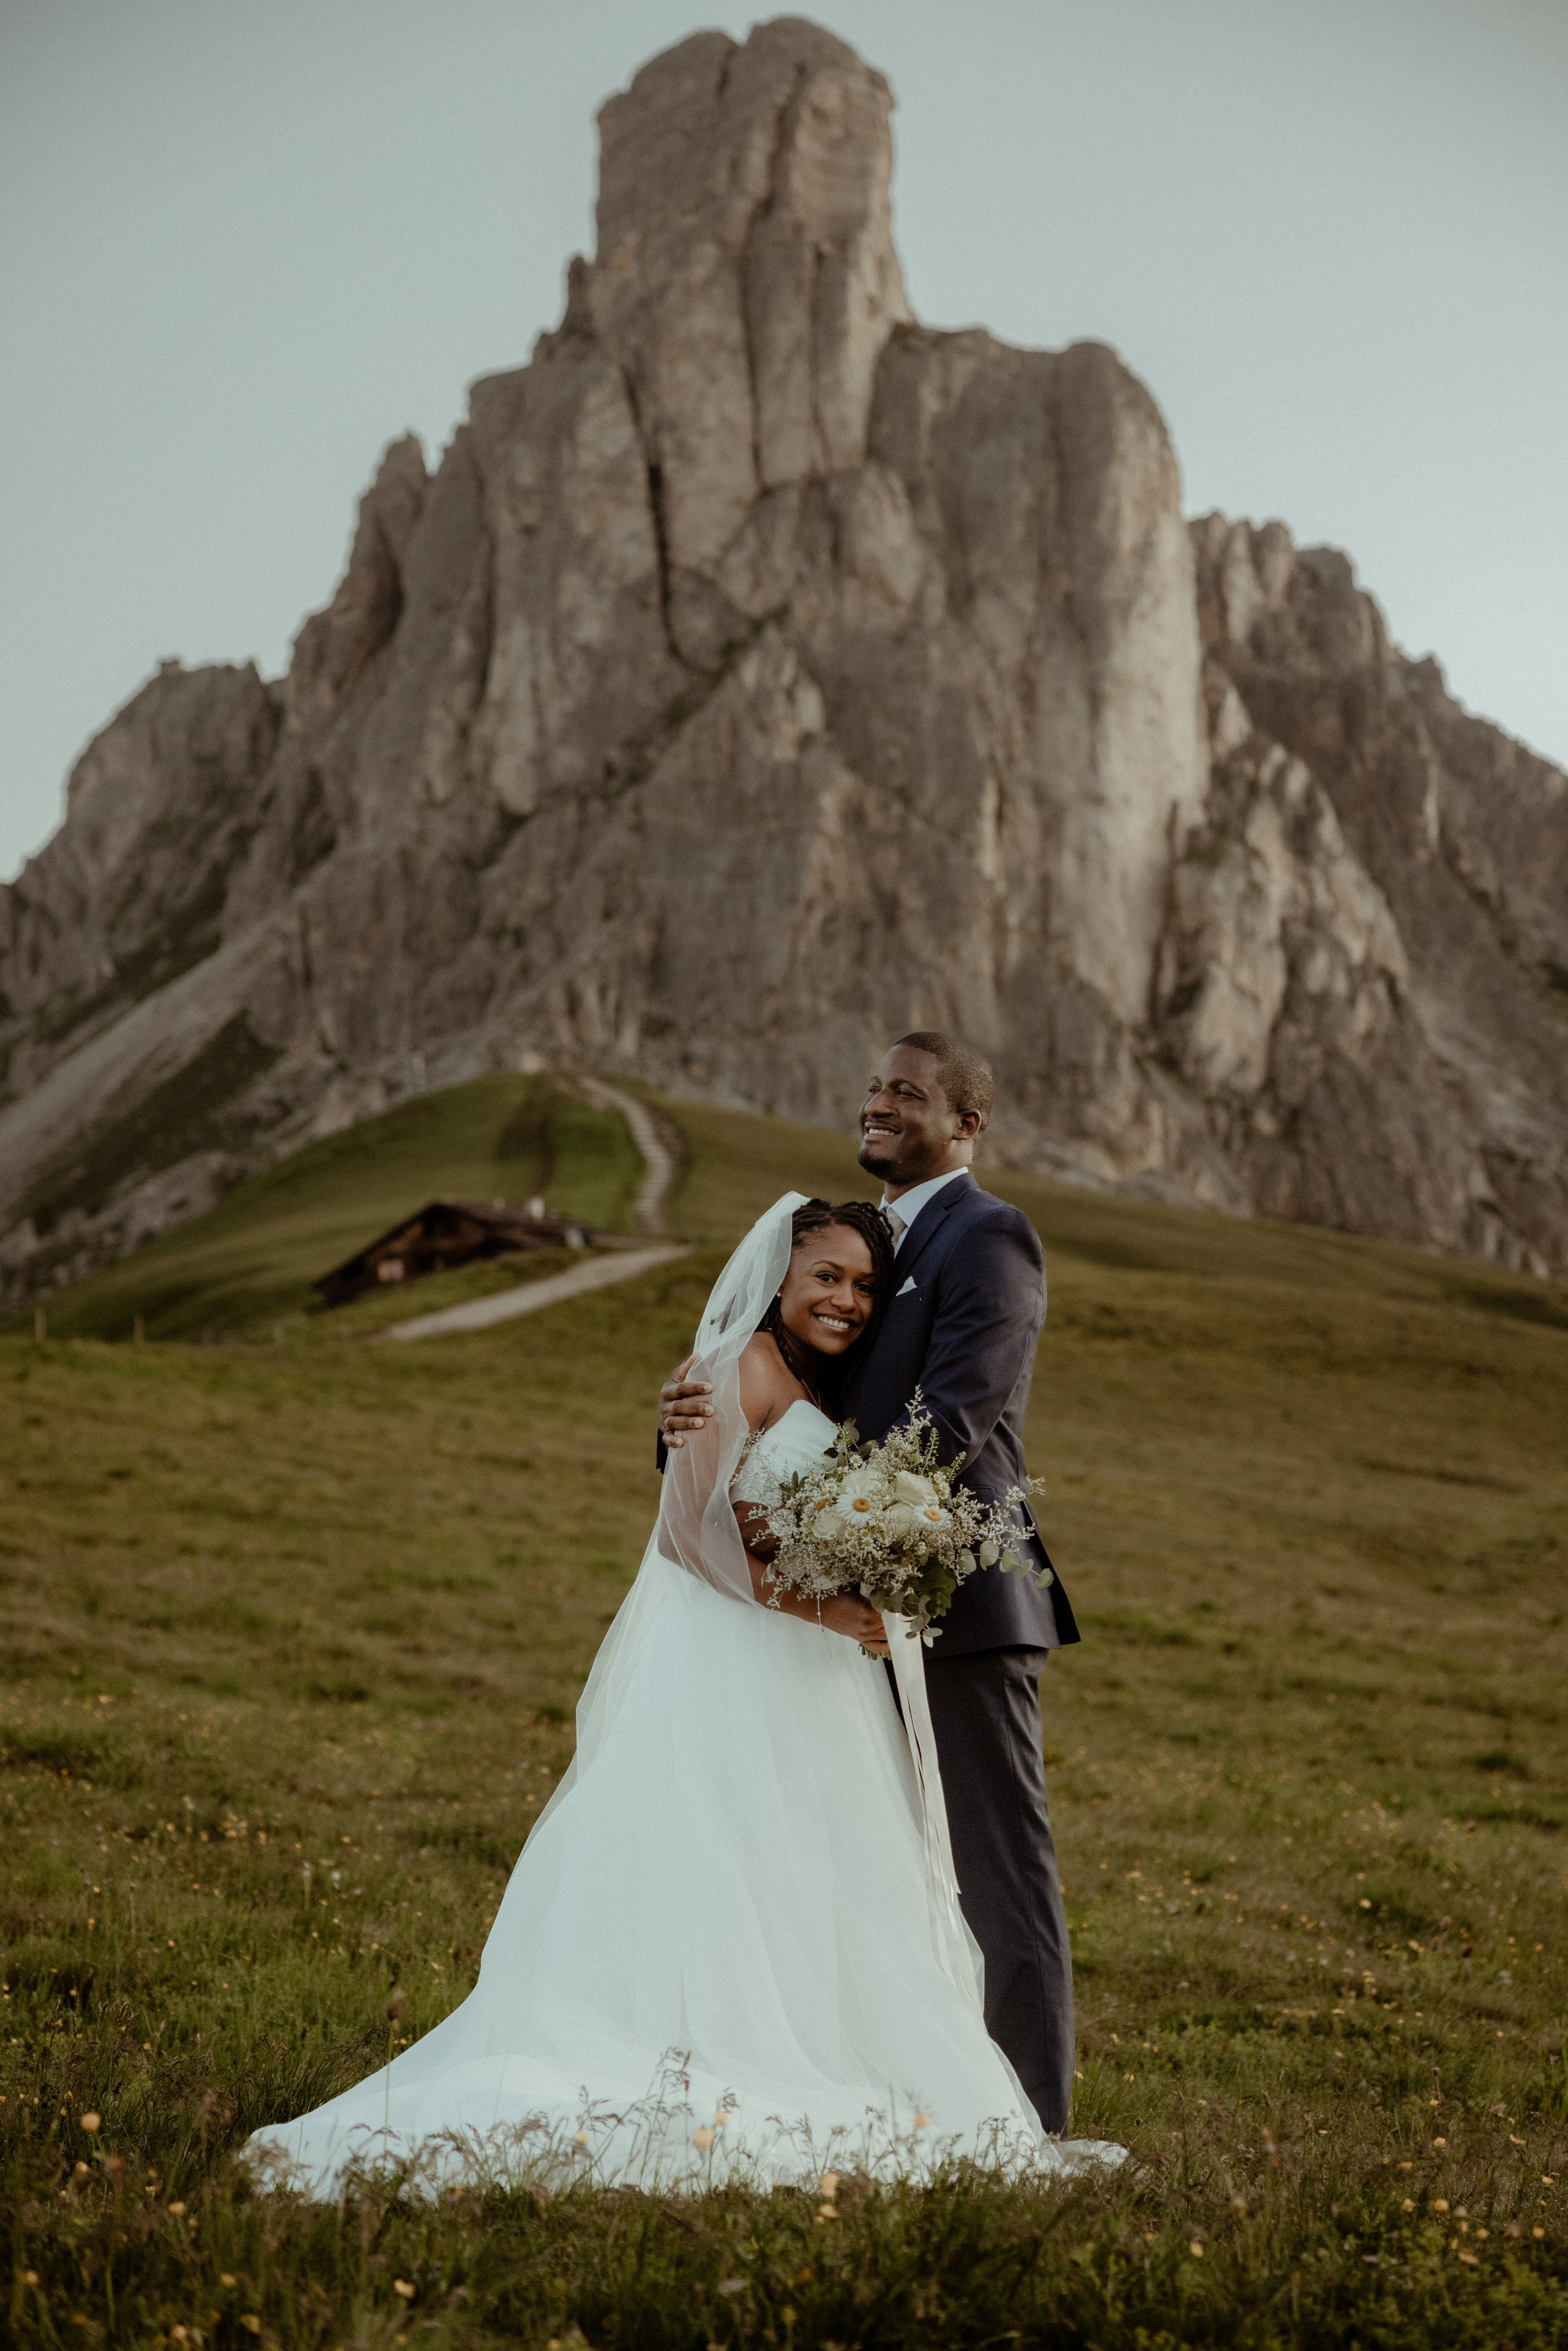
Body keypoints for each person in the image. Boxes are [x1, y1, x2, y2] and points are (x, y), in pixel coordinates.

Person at [247, 1193, 1115, 2192]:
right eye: (825, 1277)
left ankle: (819, 2042)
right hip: (731, 1654)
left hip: (809, 1676)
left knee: (806, 1865)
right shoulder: (728, 1368)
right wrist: (825, 1611)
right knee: (716, 1850)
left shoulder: (819, 1381)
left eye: (864, 1285)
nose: (845, 1298)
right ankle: (695, 2046)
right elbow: (685, 1534)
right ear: (778, 1277)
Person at [660, 1033, 1080, 2134]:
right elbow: (787, 1389)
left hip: (955, 1603)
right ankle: (902, 2086)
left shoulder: (989, 1236)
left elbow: (948, 1420)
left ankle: (1030, 2119)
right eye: (875, 1087)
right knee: (872, 1865)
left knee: (995, 1873)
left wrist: (841, 1549)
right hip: (838, 1615)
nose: (879, 1102)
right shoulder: (865, 1247)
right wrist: (690, 1422)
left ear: (967, 1123)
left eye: (910, 1091)